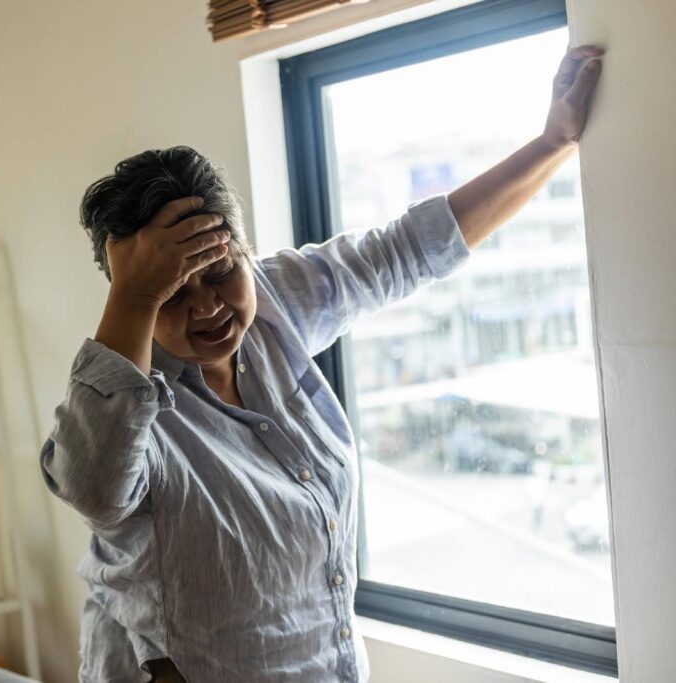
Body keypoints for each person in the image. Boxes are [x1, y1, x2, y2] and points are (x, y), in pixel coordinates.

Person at [40, 45, 605, 683]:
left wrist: (554, 143)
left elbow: (408, 249)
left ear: (245, 252)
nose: (207, 307)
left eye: (220, 271)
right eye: (172, 292)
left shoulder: (275, 300)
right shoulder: (124, 402)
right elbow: (94, 490)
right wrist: (134, 299)